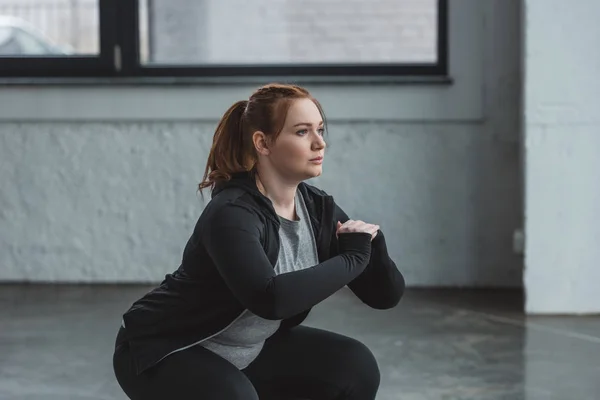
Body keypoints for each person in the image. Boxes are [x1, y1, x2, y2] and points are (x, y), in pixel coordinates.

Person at [112, 83, 405, 400]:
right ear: (263, 143)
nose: (320, 143)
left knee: (355, 367)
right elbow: (270, 299)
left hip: (246, 348)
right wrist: (351, 259)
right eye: (302, 132)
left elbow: (384, 295)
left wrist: (373, 244)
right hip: (165, 348)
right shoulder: (231, 214)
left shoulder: (317, 209)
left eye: (320, 130)